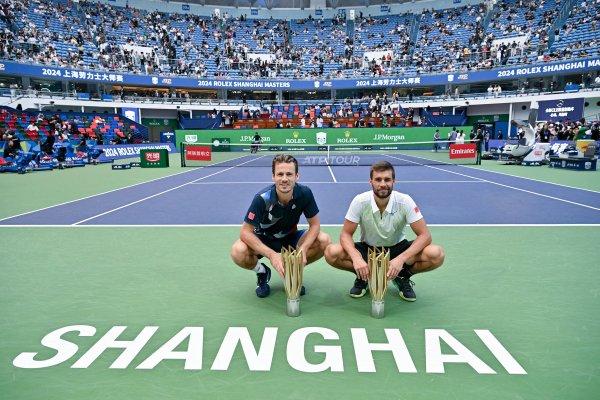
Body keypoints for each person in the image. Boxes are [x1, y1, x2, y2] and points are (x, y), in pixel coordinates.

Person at [324, 161, 445, 301]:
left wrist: (401, 259)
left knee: (437, 254)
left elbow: (425, 236)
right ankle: (363, 276)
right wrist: (356, 258)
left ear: (394, 181)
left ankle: (403, 275)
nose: (382, 184)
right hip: (368, 250)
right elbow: (345, 234)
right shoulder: (360, 201)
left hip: (398, 248)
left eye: (387, 179)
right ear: (371, 182)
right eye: (378, 179)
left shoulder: (405, 201)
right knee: (331, 252)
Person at [230, 154, 331, 298]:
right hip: (265, 239)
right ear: (273, 176)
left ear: (297, 176)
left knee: (324, 240)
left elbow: (315, 225)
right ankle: (262, 272)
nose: (284, 179)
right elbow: (245, 232)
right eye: (280, 174)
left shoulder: (305, 194)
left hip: (290, 239)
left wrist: (303, 249)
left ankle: (292, 271)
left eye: (289, 174)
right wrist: (271, 255)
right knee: (237, 251)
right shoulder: (262, 199)